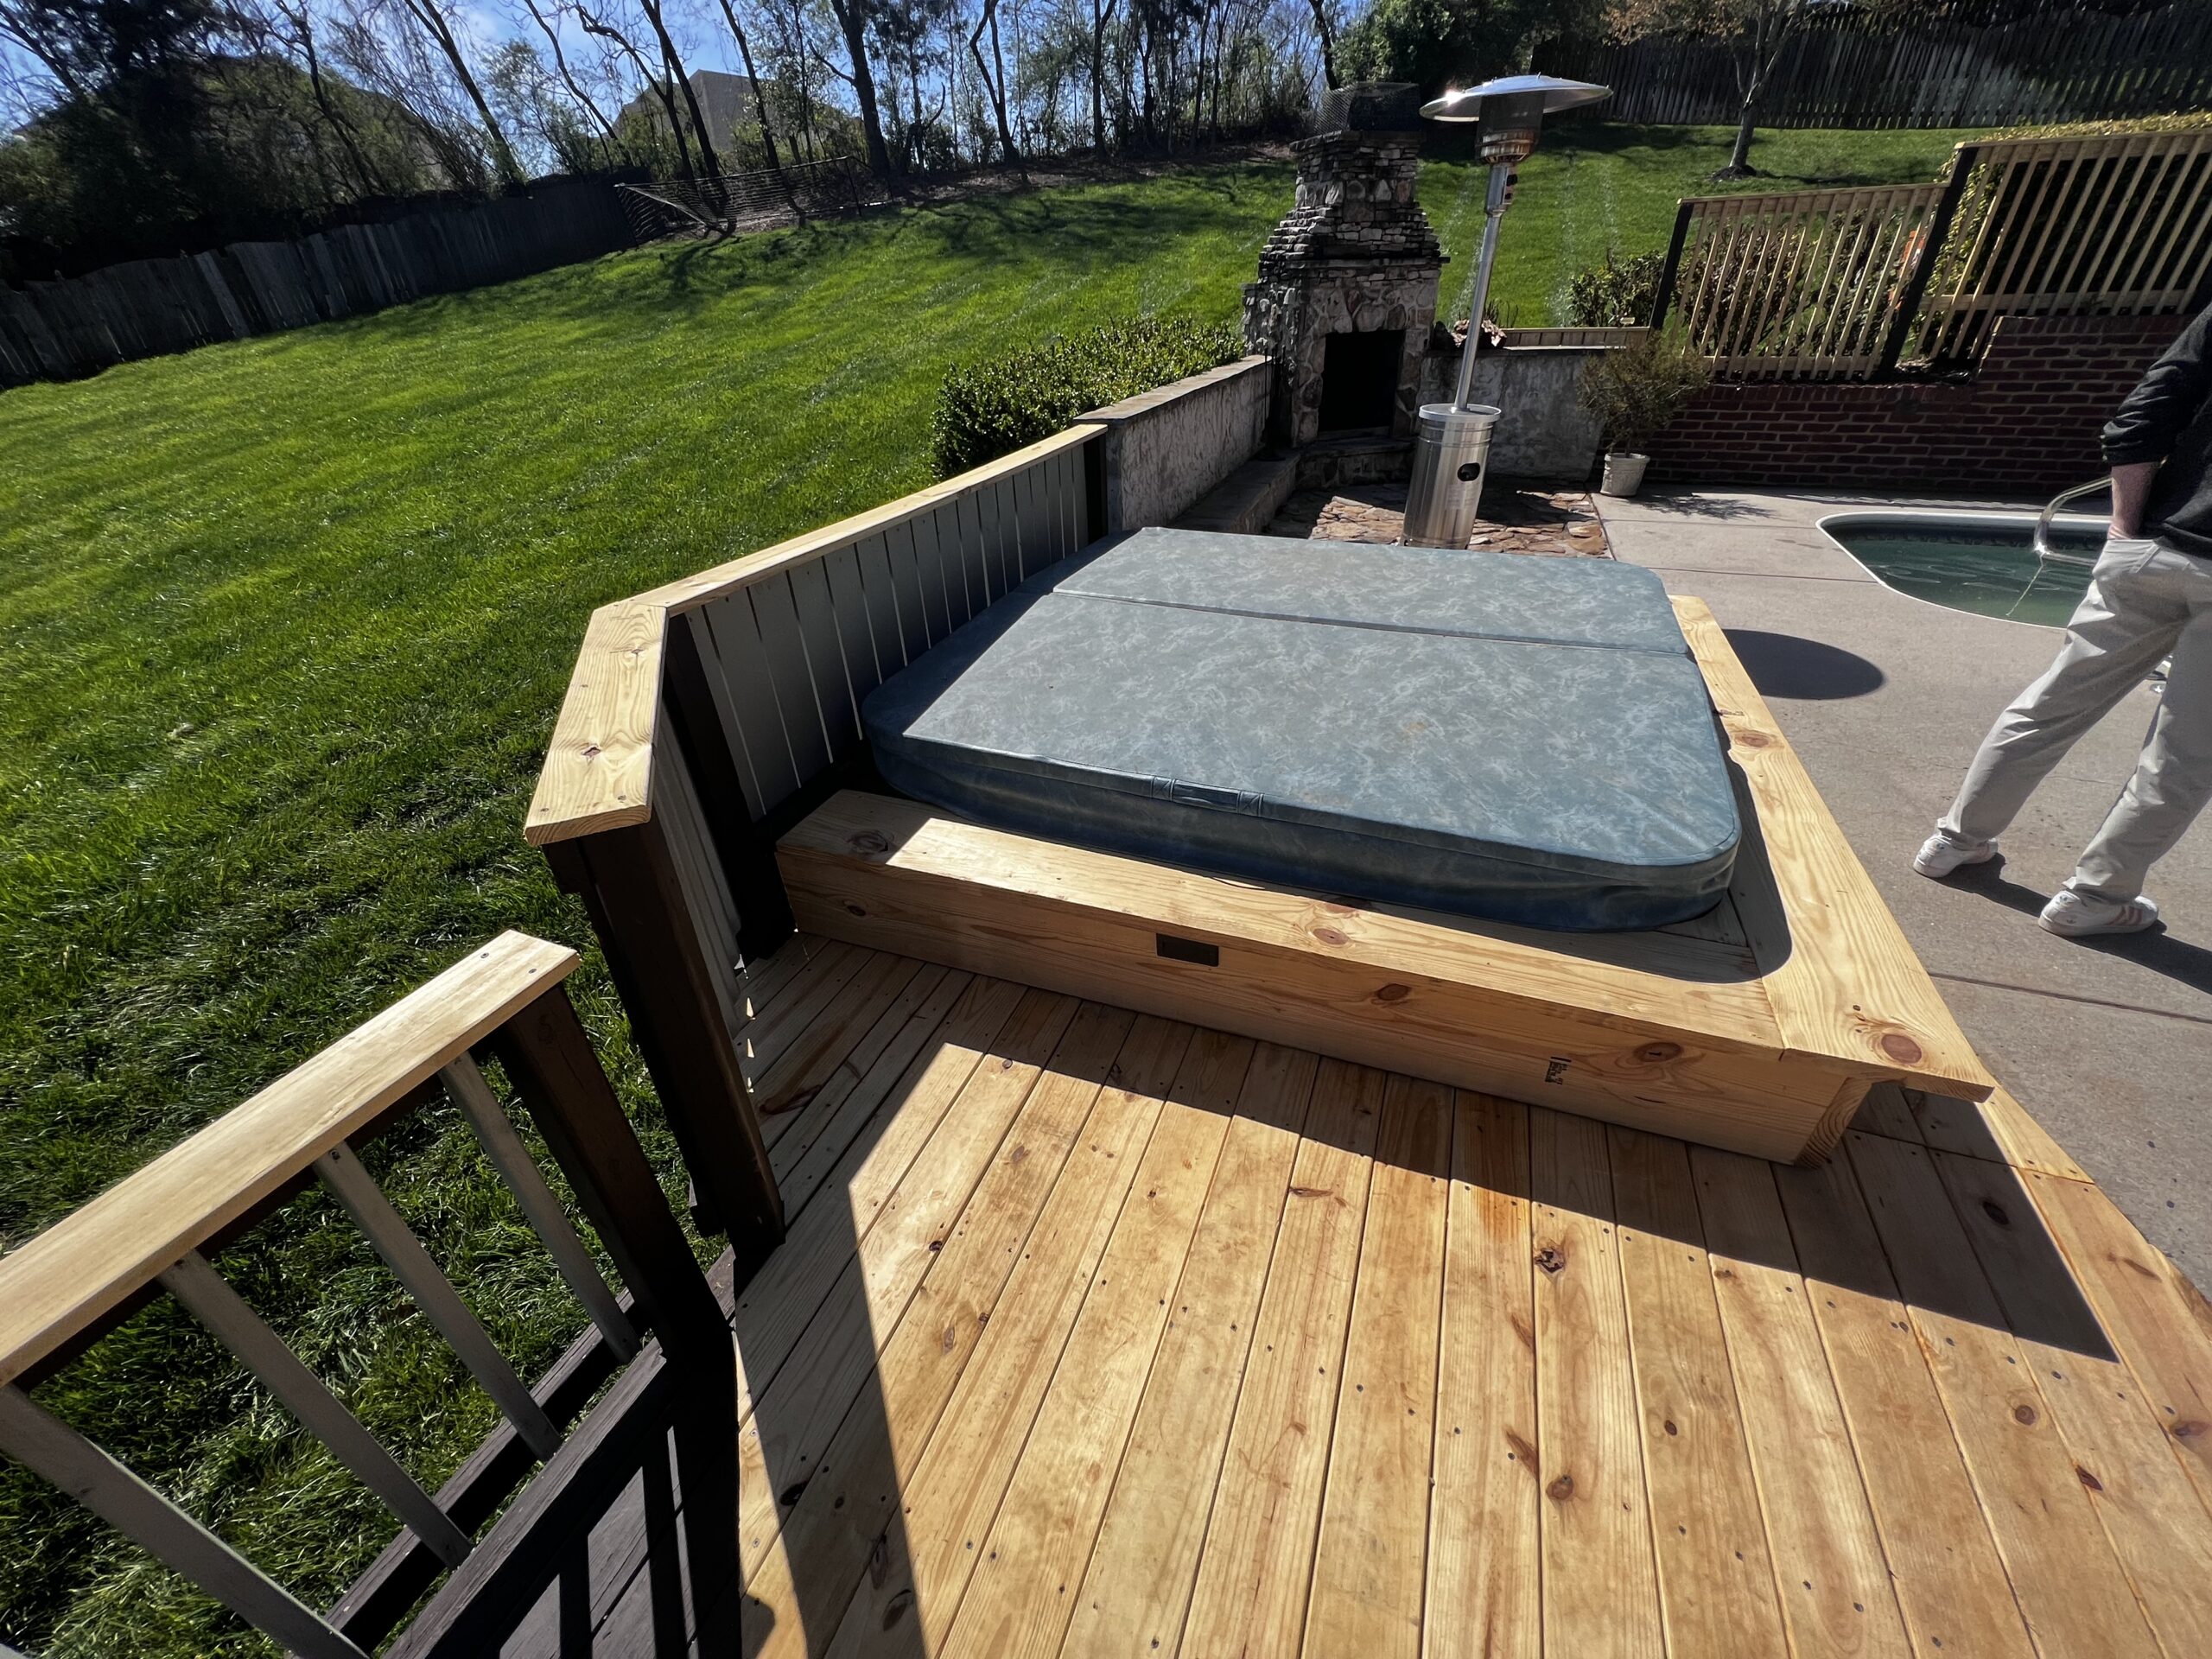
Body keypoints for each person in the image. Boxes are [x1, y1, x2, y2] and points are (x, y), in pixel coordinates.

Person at [1915, 299, 2212, 937]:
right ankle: (2095, 898)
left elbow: (2146, 412)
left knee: (2051, 703)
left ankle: (1955, 840)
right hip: (2167, 546)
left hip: (2154, 545)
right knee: (2184, 755)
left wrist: (2124, 527)